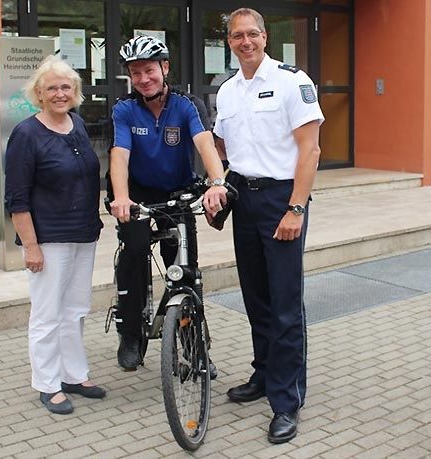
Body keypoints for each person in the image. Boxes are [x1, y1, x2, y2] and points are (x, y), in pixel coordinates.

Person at [213, 9, 324, 443]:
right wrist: (218, 185)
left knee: (284, 303)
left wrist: (296, 208)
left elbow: (310, 150)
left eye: (252, 34)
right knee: (256, 297)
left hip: (283, 198)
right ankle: (263, 375)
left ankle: (286, 400)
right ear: (228, 41)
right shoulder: (227, 91)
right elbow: (223, 147)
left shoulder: (292, 82)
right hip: (245, 199)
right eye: (237, 35)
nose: (246, 41)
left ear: (265, 36)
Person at [108, 35, 228, 371]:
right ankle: (131, 334)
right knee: (133, 253)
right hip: (137, 195)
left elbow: (206, 145)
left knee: (185, 270)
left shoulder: (186, 105)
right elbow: (119, 156)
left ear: (165, 68)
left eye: (149, 70)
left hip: (178, 194)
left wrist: (216, 183)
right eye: (135, 73)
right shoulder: (125, 109)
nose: (143, 79)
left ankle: (193, 346)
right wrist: (120, 198)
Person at [5, 55, 106, 415]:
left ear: (75, 92)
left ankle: (74, 375)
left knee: (75, 309)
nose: (60, 94)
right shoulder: (26, 134)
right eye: (52, 88)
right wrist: (30, 246)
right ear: (39, 94)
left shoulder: (76, 124)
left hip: (83, 235)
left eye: (66, 87)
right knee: (47, 314)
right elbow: (16, 198)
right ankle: (47, 383)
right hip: (48, 239)